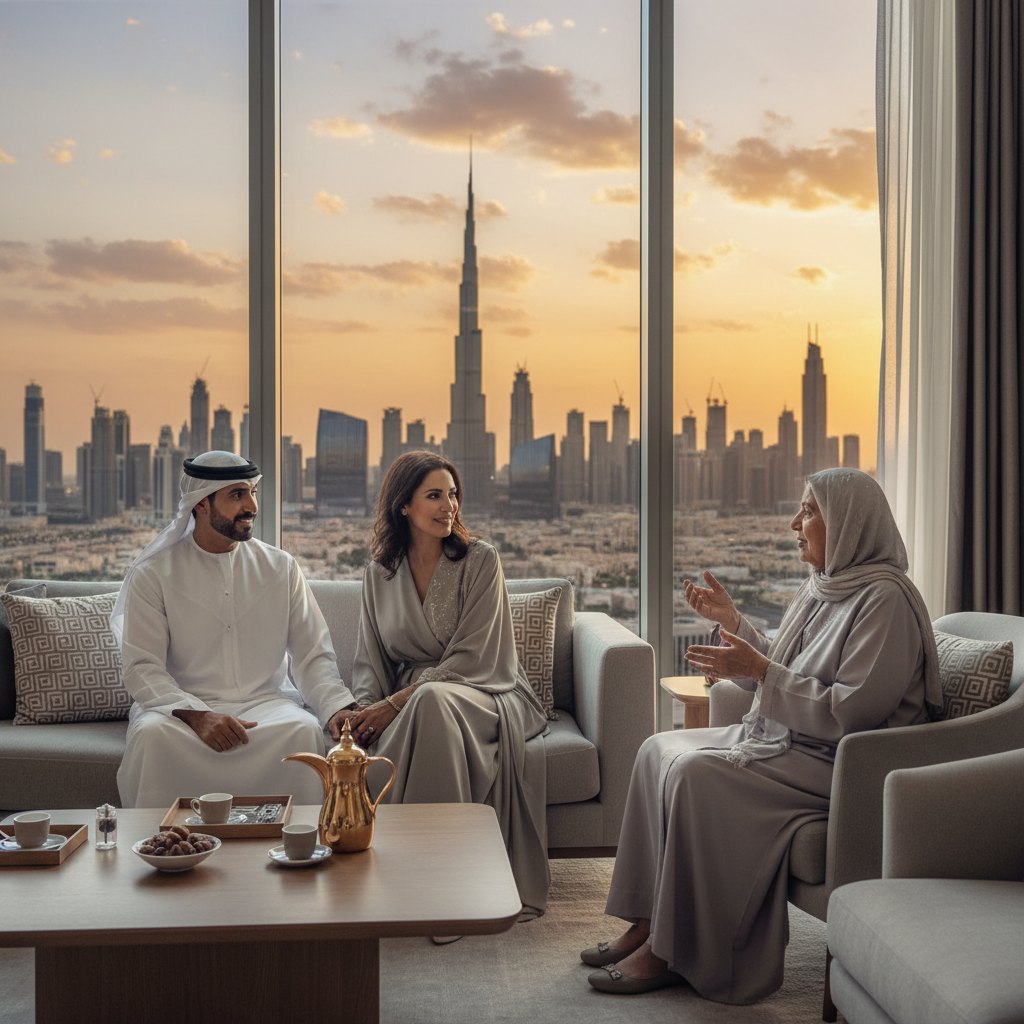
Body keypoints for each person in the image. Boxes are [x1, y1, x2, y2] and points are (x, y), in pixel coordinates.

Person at [580, 468, 942, 1003]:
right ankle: (648, 920)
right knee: (658, 749)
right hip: (797, 742)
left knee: (699, 774)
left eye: (810, 511)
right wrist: (737, 625)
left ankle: (676, 951)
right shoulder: (827, 586)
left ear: (850, 523)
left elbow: (853, 711)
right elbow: (788, 661)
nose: (796, 523)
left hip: (841, 762)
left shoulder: (883, 601)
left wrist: (759, 671)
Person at [350, 451, 549, 919]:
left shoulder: (481, 560)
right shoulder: (379, 575)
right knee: (430, 701)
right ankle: (414, 881)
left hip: (487, 689)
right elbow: (369, 658)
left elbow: (477, 655)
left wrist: (399, 701)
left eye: (453, 494)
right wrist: (364, 712)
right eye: (435, 495)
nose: (449, 506)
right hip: (418, 701)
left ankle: (443, 885)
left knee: (433, 698)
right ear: (404, 505)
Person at [111, 451, 359, 808]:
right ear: (200, 504)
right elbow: (142, 667)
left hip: (266, 706)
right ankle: (168, 847)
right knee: (152, 737)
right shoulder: (154, 574)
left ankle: (296, 847)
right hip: (180, 711)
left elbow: (311, 654)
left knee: (302, 730)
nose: (251, 506)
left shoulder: (280, 567)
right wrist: (197, 715)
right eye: (237, 495)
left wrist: (336, 707)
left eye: (253, 493)